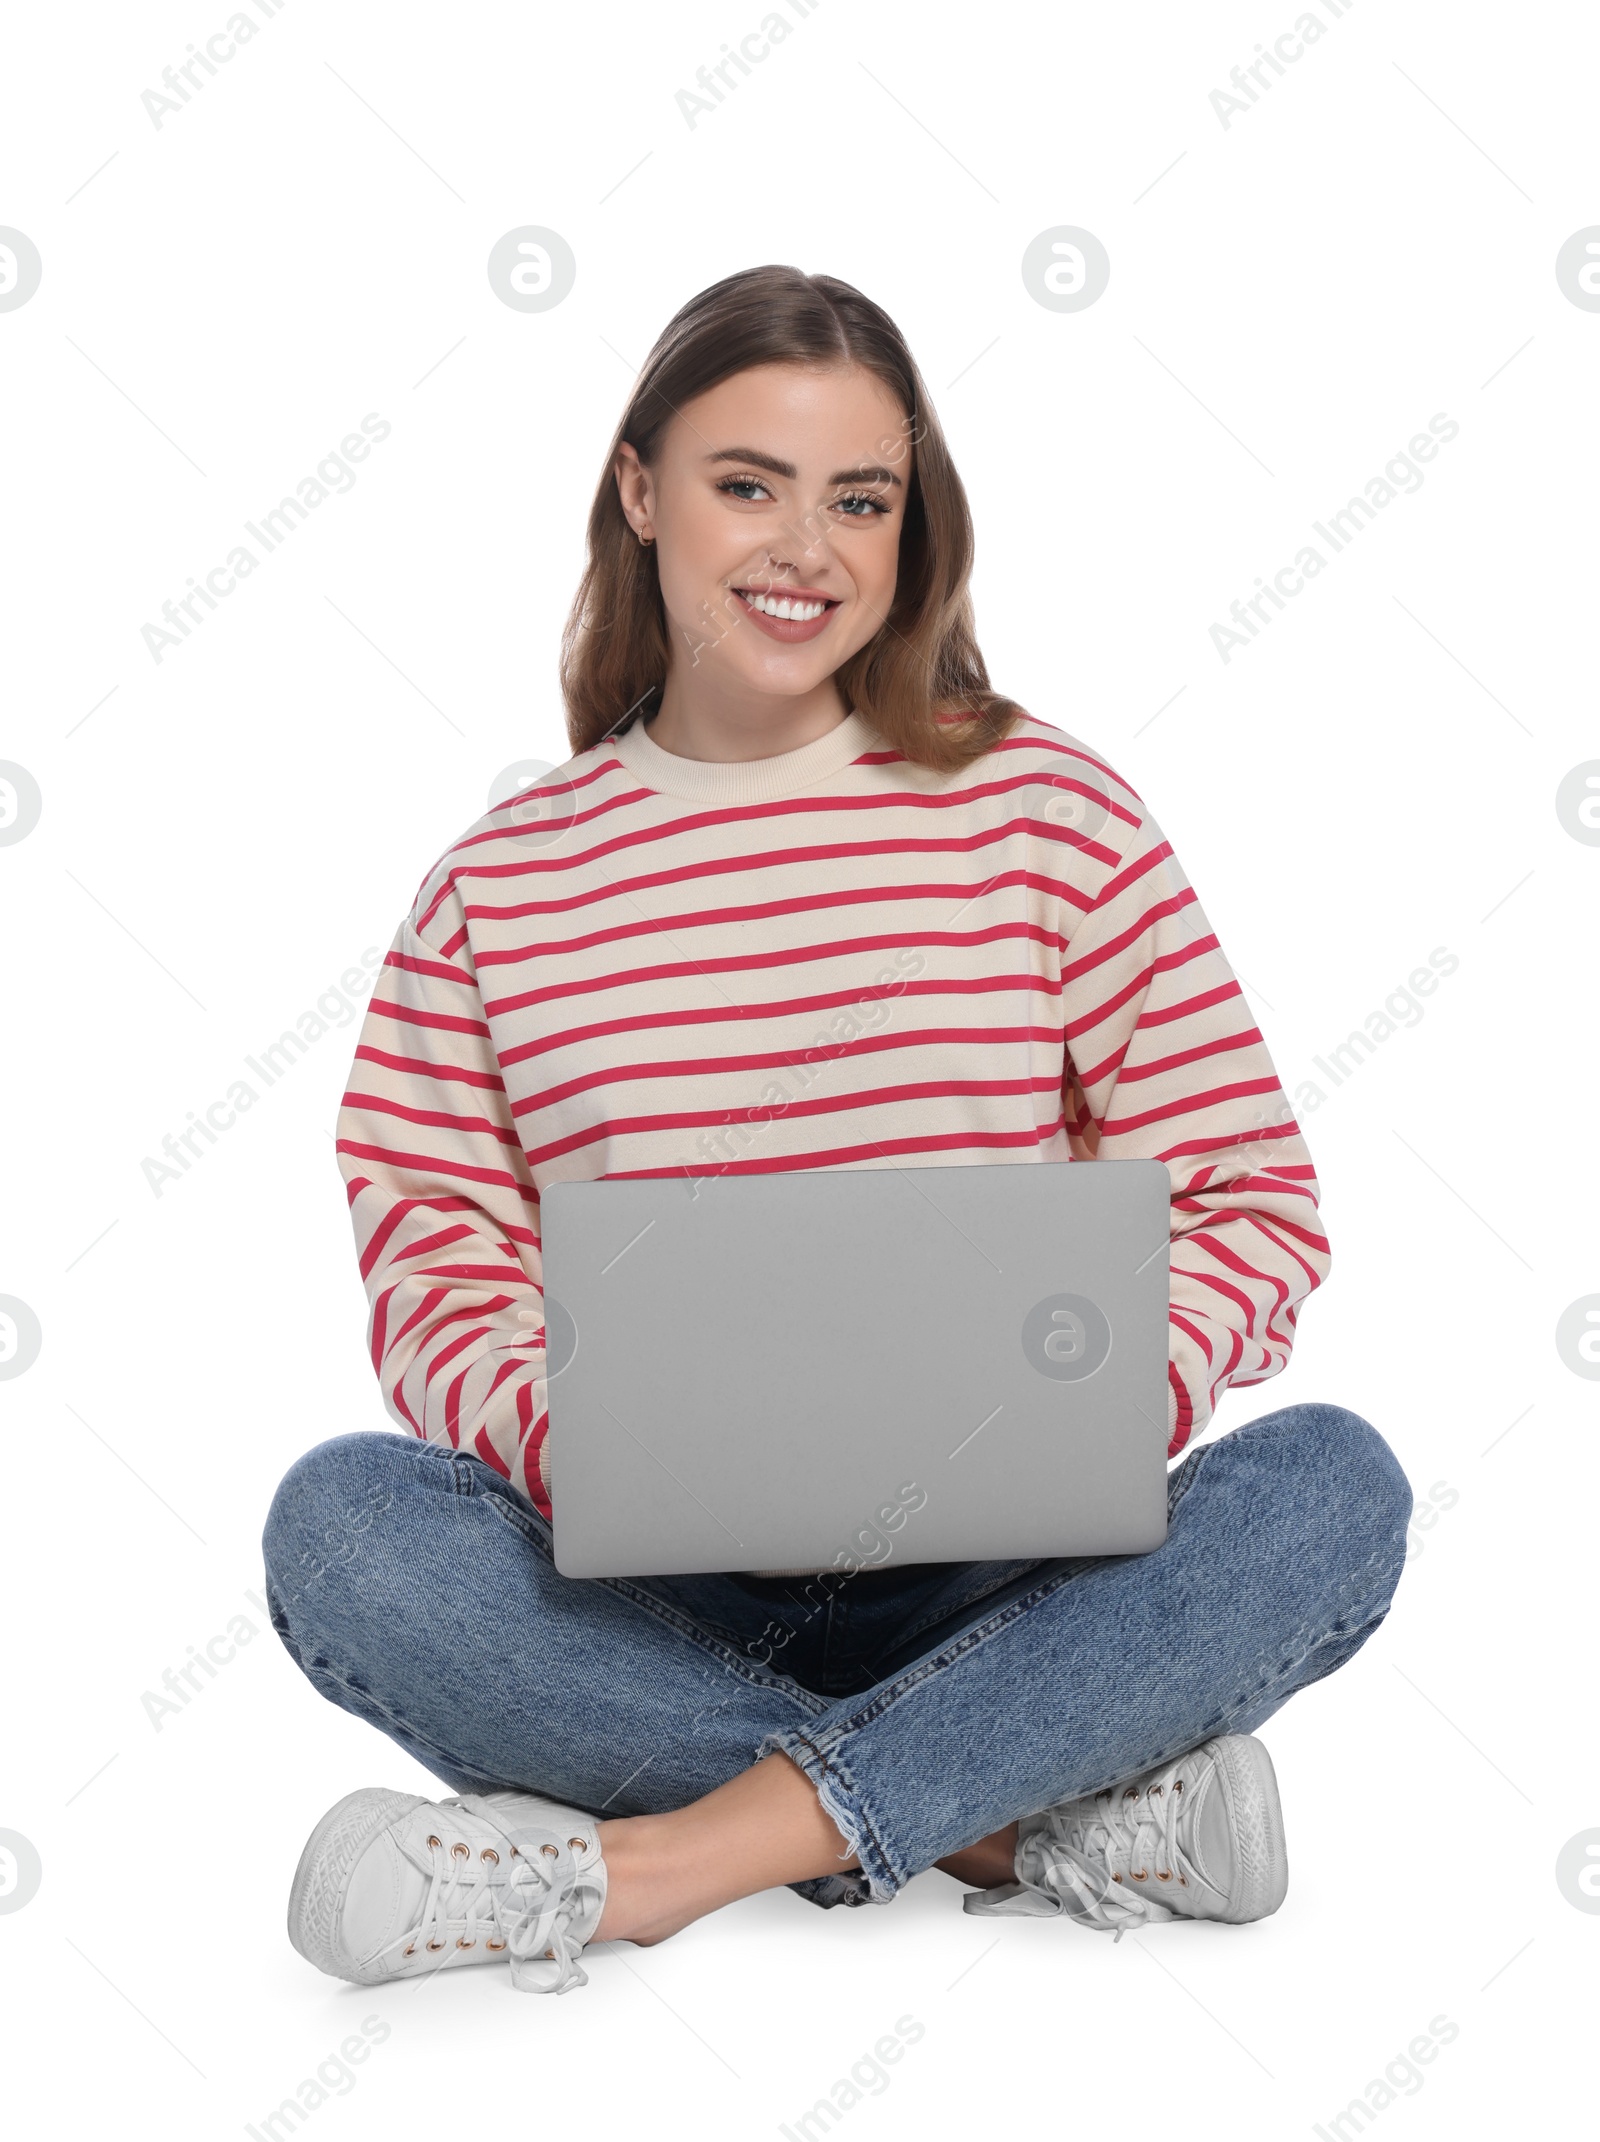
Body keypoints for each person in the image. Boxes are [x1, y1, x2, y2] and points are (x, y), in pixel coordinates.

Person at [263, 265, 1412, 1997]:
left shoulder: (1046, 810)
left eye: (858, 499)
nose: (805, 547)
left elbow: (1252, 1196)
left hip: (1017, 1564)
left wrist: (1105, 1400)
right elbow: (436, 1244)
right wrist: (565, 1434)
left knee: (1334, 1491)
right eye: (748, 484)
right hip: (661, 1580)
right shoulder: (504, 883)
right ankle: (1014, 1820)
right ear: (639, 492)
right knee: (343, 1530)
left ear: (908, 527)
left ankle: (656, 1863)